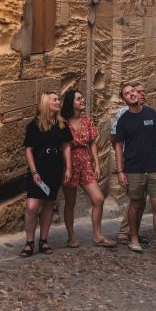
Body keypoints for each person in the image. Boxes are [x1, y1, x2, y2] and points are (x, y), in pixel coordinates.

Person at [114, 84, 156, 259]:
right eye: (127, 93)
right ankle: (133, 238)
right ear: (123, 99)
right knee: (136, 203)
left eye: (133, 91)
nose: (131, 94)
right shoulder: (123, 120)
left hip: (154, 168)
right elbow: (118, 146)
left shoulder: (151, 113)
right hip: (133, 169)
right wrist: (120, 171)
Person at [61, 88, 116, 248]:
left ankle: (98, 235)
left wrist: (96, 164)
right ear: (71, 103)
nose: (82, 101)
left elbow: (92, 143)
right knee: (70, 202)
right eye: (79, 99)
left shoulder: (86, 120)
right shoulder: (63, 122)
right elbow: (63, 145)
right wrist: (67, 168)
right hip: (69, 163)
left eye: (82, 98)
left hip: (85, 162)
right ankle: (71, 236)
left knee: (98, 198)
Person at [21, 92, 72, 256]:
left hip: (54, 170)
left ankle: (43, 241)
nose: (58, 102)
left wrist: (68, 168)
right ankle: (29, 242)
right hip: (38, 172)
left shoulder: (62, 124)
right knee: (31, 207)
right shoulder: (34, 126)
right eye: (55, 99)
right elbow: (28, 150)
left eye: (59, 100)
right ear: (45, 103)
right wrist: (34, 171)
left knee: (49, 205)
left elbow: (66, 147)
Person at [110, 81, 147, 244]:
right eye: (138, 91)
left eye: (142, 92)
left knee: (141, 199)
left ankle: (134, 232)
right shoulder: (124, 113)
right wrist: (123, 159)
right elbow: (114, 138)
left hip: (144, 162)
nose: (141, 94)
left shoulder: (145, 112)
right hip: (131, 162)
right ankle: (125, 232)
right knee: (135, 199)